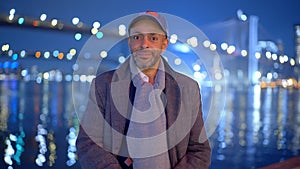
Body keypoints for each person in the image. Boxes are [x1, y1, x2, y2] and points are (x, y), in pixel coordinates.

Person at [76, 11, 211, 169]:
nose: (144, 44)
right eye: (137, 37)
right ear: (129, 42)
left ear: (164, 44)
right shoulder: (103, 85)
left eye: (153, 38)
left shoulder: (188, 88)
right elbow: (88, 143)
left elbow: (199, 150)